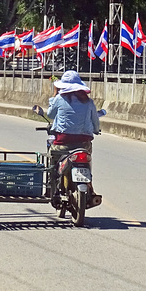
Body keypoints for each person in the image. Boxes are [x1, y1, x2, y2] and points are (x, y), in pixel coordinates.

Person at [46, 71, 101, 205]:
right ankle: (90, 187)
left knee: (52, 161)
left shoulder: (59, 98)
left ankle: (51, 186)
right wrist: (96, 130)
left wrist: (54, 94)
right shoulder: (88, 102)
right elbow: (95, 121)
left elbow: (50, 115)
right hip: (83, 143)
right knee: (87, 163)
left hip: (62, 143)